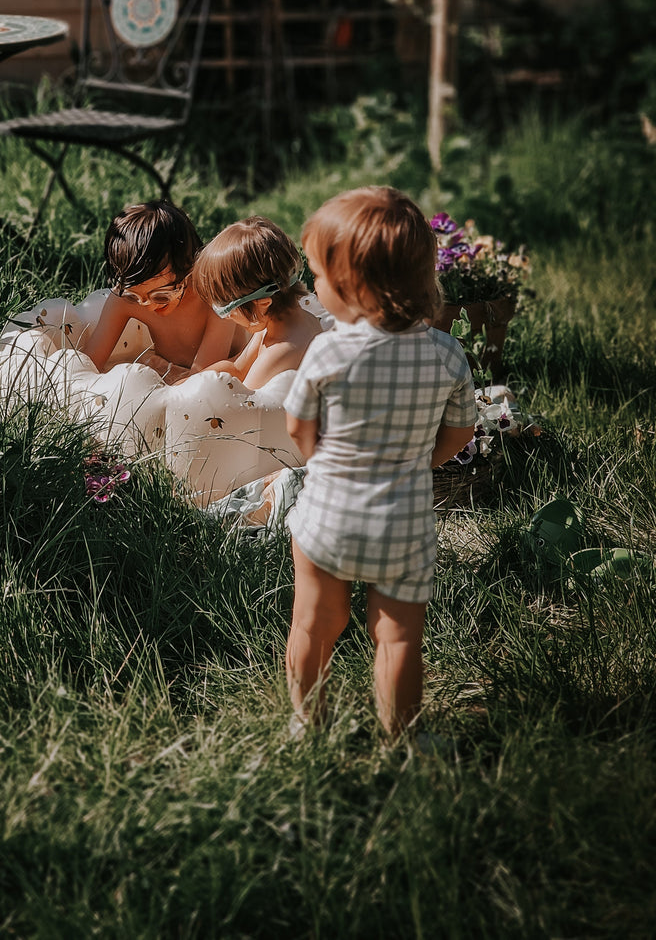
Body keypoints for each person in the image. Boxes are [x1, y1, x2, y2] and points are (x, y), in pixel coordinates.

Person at [283, 186, 475, 740]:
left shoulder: (328, 350)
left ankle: (307, 724)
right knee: (398, 637)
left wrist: (322, 463)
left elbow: (298, 426)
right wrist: (423, 460)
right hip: (403, 522)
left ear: (355, 285)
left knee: (313, 625)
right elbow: (461, 430)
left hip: (328, 517)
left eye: (318, 276)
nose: (313, 287)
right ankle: (402, 735)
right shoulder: (446, 353)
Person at [82, 200, 248, 383]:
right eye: (135, 296)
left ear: (190, 269)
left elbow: (203, 381)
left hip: (226, 377)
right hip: (171, 370)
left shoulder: (216, 293)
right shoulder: (124, 299)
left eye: (161, 296)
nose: (149, 306)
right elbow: (87, 366)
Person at [191, 216, 324, 391]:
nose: (227, 317)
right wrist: (184, 385)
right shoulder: (274, 324)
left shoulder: (281, 352)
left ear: (263, 303)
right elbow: (237, 368)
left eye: (226, 308)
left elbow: (244, 403)